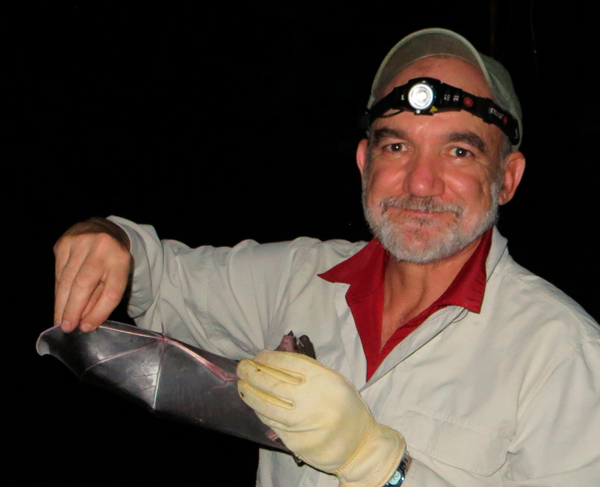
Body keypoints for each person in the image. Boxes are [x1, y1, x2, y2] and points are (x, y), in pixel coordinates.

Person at [53, 28, 600, 486]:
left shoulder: (560, 352)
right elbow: (160, 274)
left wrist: (381, 465)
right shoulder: (299, 280)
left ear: (507, 178)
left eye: (459, 151)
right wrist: (108, 238)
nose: (421, 181)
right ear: (365, 163)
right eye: (396, 146)